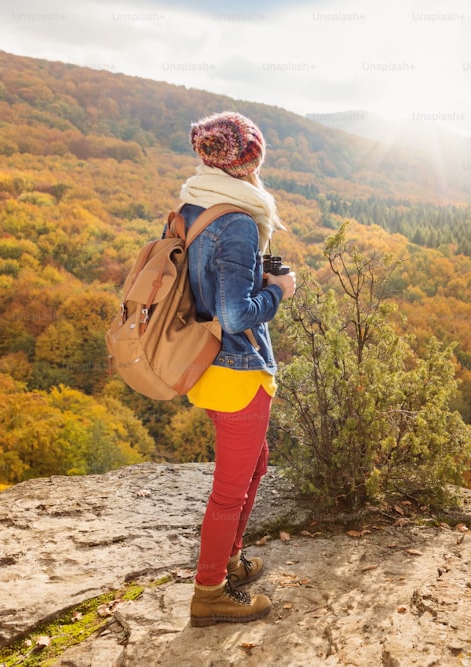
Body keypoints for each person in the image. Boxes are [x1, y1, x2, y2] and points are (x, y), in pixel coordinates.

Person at [179, 111, 296, 626]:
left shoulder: (193, 205)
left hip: (205, 364)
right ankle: (209, 593)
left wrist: (251, 275)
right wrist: (278, 292)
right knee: (231, 487)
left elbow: (204, 285)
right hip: (237, 370)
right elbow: (235, 314)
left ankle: (227, 562)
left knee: (257, 463)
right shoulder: (241, 222)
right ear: (250, 160)